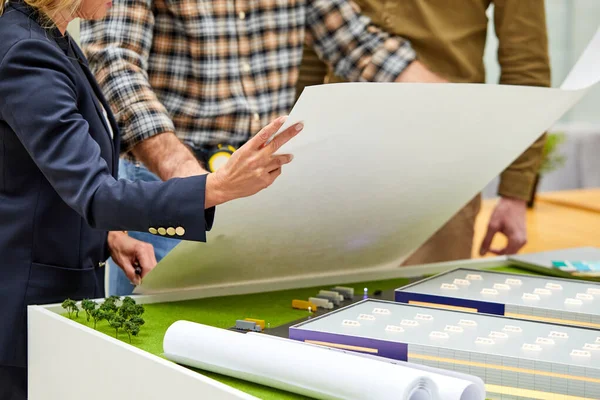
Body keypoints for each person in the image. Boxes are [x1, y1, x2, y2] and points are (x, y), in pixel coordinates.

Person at [0, 0, 303, 397]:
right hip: (24, 315)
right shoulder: (26, 52)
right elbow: (95, 192)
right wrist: (216, 187)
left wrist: (109, 236)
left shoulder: (50, 38)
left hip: (56, 301)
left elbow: (45, 177)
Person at [80, 0, 447, 296]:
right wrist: (193, 184)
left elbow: (362, 47)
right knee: (160, 355)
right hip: (172, 187)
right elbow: (115, 63)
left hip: (265, 188)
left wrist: (454, 109)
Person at [296, 0, 551, 264]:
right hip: (338, 164)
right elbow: (310, 46)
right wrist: (291, 161)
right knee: (325, 300)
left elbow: (527, 69)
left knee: (427, 298)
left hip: (440, 169)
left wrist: (515, 192)